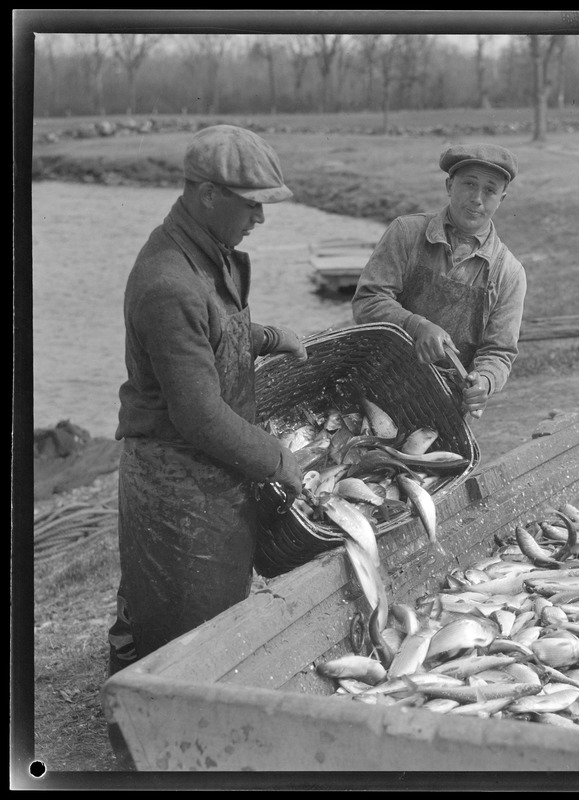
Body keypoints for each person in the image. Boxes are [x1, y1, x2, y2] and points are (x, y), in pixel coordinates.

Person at [107, 125, 309, 677]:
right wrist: (275, 458)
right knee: (177, 626)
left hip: (212, 472)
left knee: (210, 612)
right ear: (207, 195)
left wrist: (268, 336)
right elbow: (199, 415)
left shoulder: (209, 251)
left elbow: (213, 333)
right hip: (177, 484)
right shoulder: (168, 280)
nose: (260, 220)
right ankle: (144, 741)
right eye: (252, 206)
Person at [352, 143, 527, 418]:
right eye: (469, 184)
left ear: (501, 199)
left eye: (490, 190)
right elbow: (368, 301)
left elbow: (499, 351)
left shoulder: (509, 273)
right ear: (449, 185)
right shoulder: (406, 233)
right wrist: (416, 325)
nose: (477, 199)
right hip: (375, 388)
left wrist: (484, 381)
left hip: (445, 406)